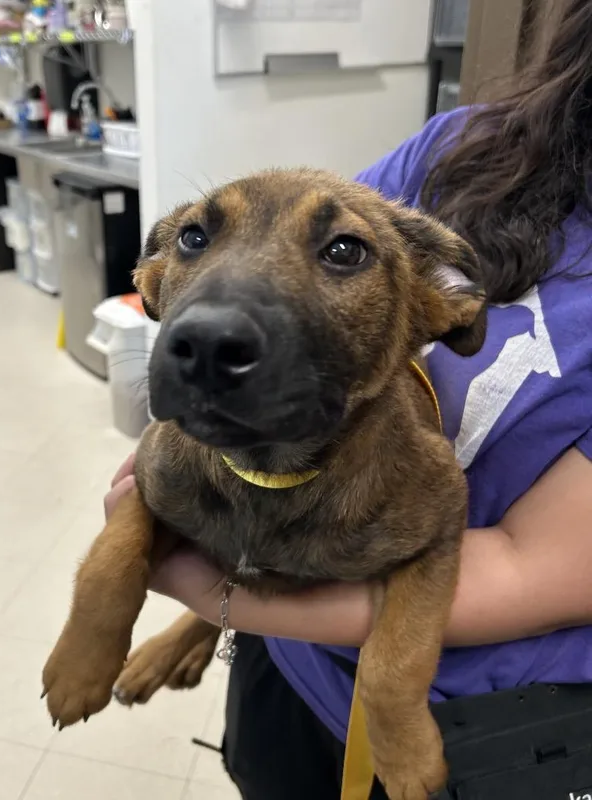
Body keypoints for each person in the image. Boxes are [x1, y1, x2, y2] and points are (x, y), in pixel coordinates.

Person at [104, 0, 592, 795]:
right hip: (290, 667)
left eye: (344, 255)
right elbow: (280, 235)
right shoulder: (469, 147)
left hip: (485, 729)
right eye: (191, 241)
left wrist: (215, 593)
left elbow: (526, 572)